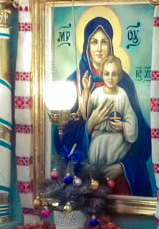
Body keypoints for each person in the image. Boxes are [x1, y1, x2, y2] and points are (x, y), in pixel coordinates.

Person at [59, 17, 152, 196]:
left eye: (104, 42)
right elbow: (62, 138)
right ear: (87, 45)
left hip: (118, 175)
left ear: (111, 45)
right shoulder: (75, 82)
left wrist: (122, 166)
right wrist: (89, 125)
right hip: (85, 177)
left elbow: (141, 136)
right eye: (94, 42)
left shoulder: (124, 83)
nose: (99, 48)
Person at [81, 55, 138, 169]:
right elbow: (86, 115)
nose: (110, 78)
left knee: (117, 143)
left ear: (119, 76)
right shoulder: (97, 93)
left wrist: (123, 126)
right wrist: (86, 90)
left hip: (117, 137)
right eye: (107, 74)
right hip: (98, 137)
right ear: (102, 74)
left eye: (114, 74)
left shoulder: (122, 94)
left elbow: (130, 117)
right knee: (95, 149)